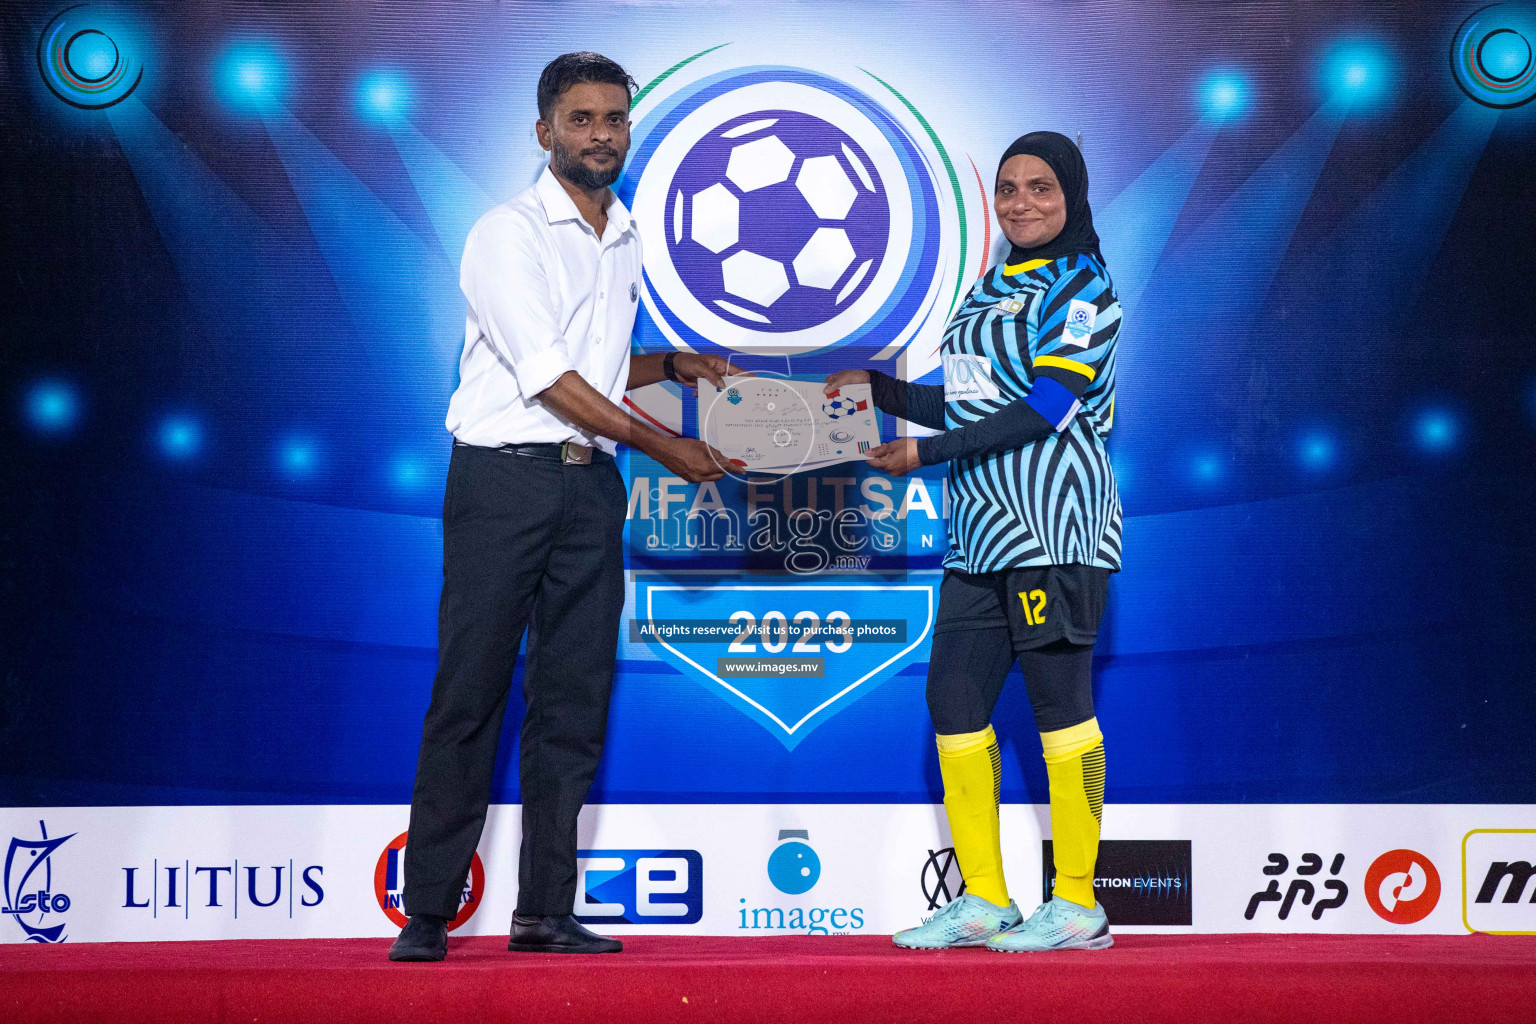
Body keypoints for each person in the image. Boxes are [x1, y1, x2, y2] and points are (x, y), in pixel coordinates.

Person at [389, 52, 742, 962]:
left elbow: (595, 364)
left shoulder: (623, 234)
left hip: (590, 488)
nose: (601, 135)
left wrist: (676, 366)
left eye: (614, 119)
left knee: (573, 701)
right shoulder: (505, 232)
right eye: (581, 120)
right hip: (503, 481)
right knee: (471, 692)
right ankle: (428, 910)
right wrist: (668, 447)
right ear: (544, 131)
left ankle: (544, 909)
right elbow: (544, 376)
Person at [825, 132, 1121, 952]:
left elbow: (1046, 406)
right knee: (953, 705)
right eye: (1009, 189)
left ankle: (1078, 905)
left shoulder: (1086, 287)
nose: (1022, 203)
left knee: (1062, 712)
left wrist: (923, 455)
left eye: (1043, 189)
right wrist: (881, 391)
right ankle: (986, 899)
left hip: (1053, 530)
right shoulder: (989, 284)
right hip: (979, 537)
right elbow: (969, 399)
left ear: (1074, 197)